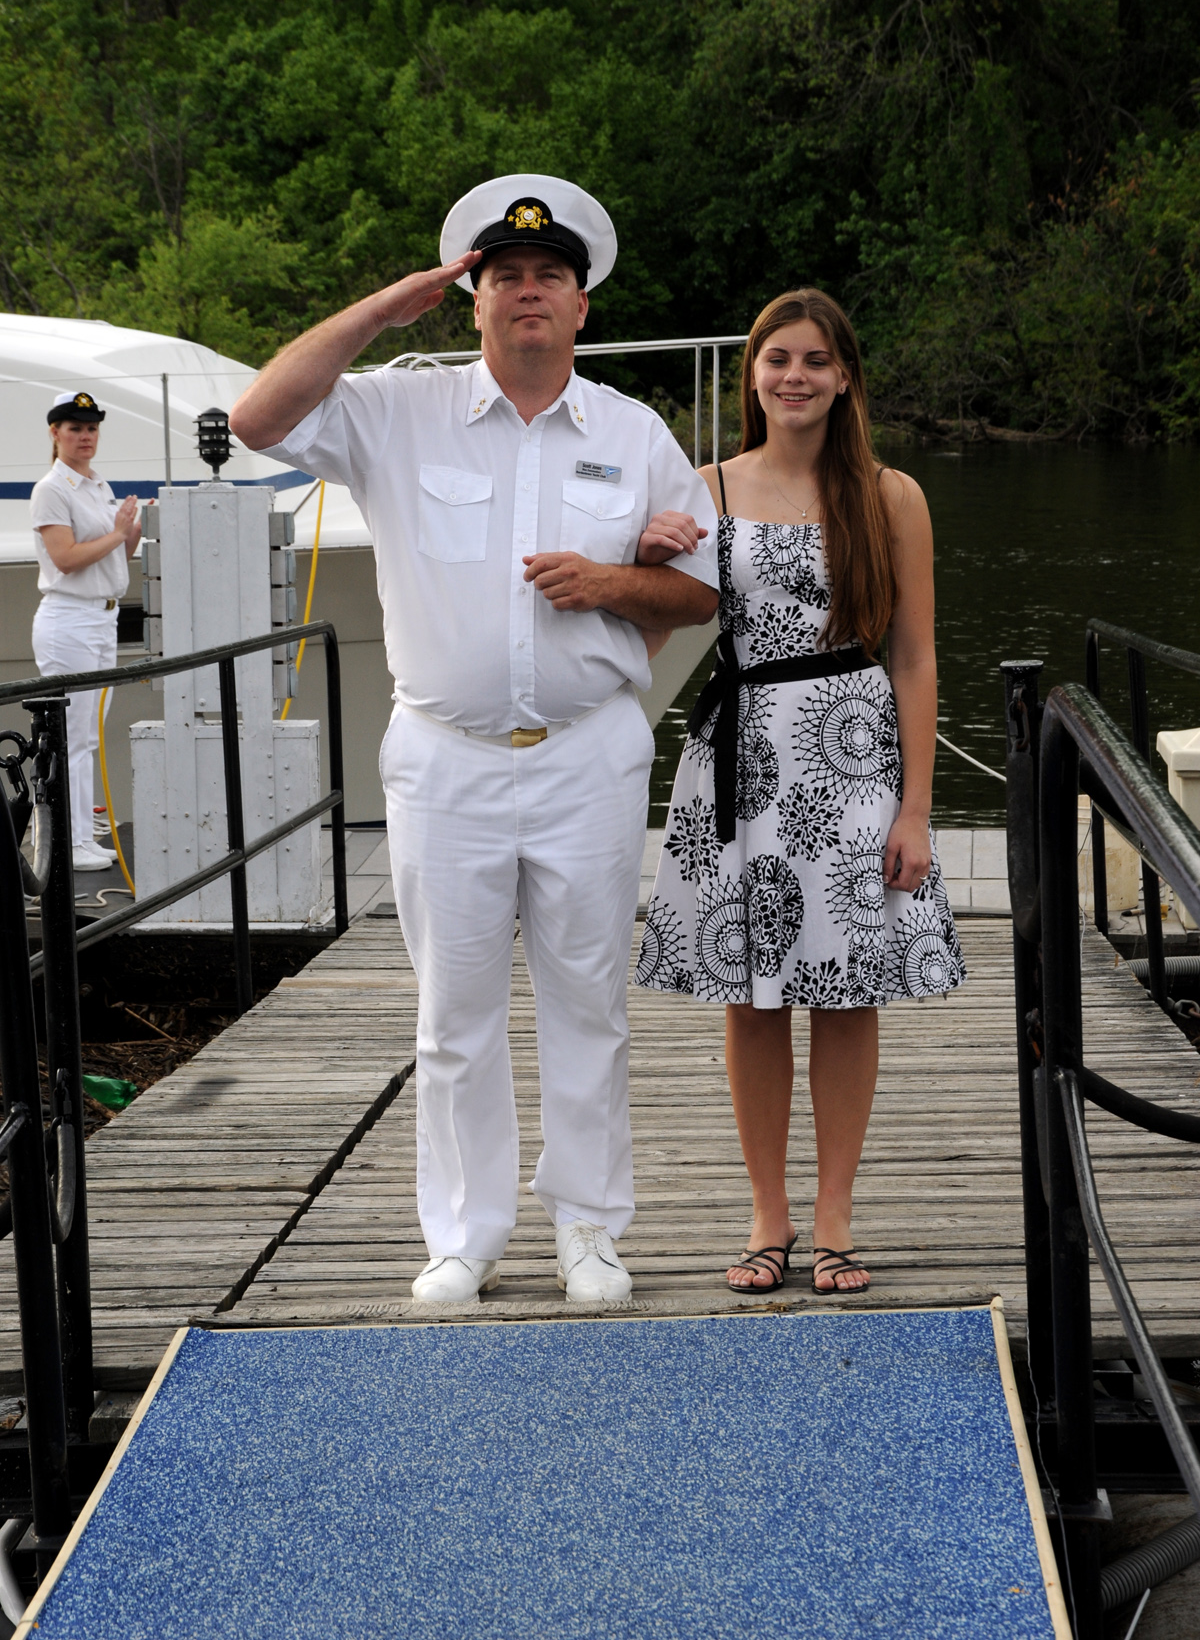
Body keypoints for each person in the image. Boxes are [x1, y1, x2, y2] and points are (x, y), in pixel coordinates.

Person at [230, 174, 719, 1305]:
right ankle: (466, 1233)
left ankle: (589, 1227)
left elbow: (698, 595)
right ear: (473, 297)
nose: (528, 291)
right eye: (505, 276)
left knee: (588, 1002)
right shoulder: (398, 410)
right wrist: (381, 310)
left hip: (588, 751)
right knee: (453, 1012)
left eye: (549, 275)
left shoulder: (635, 432)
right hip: (444, 755)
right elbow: (256, 420)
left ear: (582, 305)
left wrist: (613, 581)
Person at [636, 288, 965, 1297]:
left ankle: (834, 1217)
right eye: (778, 358)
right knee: (750, 995)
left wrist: (915, 808)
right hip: (739, 755)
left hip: (852, 752)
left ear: (845, 378)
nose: (796, 376)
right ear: (753, 375)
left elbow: (915, 657)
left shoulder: (890, 495)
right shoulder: (705, 487)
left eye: (817, 360)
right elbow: (658, 618)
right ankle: (767, 1215)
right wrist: (643, 556)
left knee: (847, 990)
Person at [30, 390, 141, 874]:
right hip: (70, 619)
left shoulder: (97, 484)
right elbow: (66, 559)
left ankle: (80, 837)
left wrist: (129, 532)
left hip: (101, 617)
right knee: (72, 736)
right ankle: (69, 842)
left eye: (91, 428)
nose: (85, 436)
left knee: (88, 736)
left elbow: (116, 557)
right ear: (55, 433)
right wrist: (116, 534)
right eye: (75, 428)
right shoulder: (51, 489)